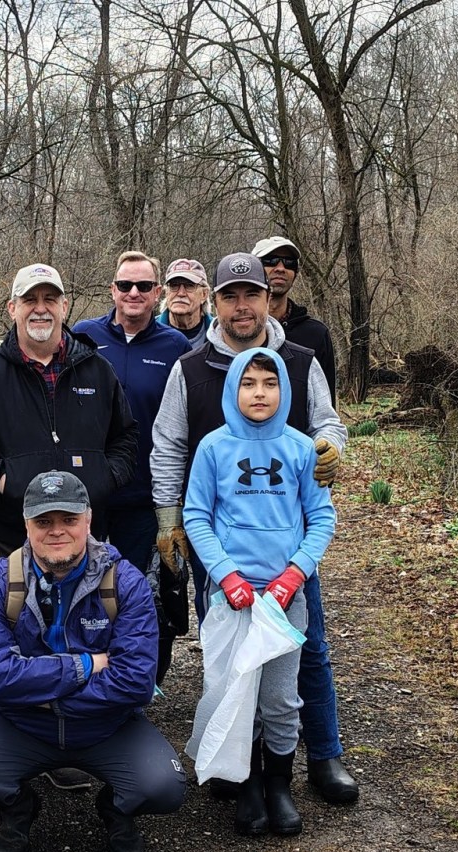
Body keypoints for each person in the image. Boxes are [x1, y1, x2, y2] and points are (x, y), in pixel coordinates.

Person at [151, 252, 358, 804]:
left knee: (304, 647)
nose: (242, 307)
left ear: (269, 300)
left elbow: (328, 421)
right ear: (213, 302)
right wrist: (169, 519)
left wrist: (331, 448)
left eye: (252, 295)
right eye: (230, 296)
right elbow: (169, 443)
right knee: (227, 652)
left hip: (285, 541)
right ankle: (230, 758)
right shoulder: (190, 366)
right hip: (217, 540)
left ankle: (323, 754)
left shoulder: (298, 359)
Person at [0, 471, 186, 852]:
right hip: (24, 726)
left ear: (88, 519)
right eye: (43, 522)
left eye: (68, 520)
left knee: (164, 787)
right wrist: (86, 665)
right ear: (26, 525)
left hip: (104, 725)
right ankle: (20, 807)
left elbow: (136, 683)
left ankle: (116, 810)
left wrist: (38, 688)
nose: (56, 531)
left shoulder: (126, 582)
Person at [183, 348, 336, 836]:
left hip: (284, 599)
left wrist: (295, 575)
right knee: (235, 688)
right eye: (248, 383)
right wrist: (226, 575)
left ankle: (279, 784)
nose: (259, 393)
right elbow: (196, 516)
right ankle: (245, 782)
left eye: (269, 383)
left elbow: (322, 517)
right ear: (233, 388)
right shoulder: (214, 448)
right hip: (232, 598)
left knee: (279, 696)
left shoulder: (299, 448)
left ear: (284, 390)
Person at [0, 263, 137, 565]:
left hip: (85, 538)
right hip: (8, 539)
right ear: (12, 308)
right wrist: (3, 478)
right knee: (11, 613)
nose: (40, 309)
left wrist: (105, 477)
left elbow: (126, 435)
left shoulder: (98, 371)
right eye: (29, 300)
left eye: (50, 299)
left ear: (64, 307)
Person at [72, 251, 192, 683]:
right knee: (81, 586)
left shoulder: (174, 347)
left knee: (138, 591)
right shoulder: (84, 337)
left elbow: (184, 424)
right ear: (113, 290)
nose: (134, 293)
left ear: (157, 293)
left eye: (144, 286)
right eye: (126, 285)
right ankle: (83, 672)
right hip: (87, 493)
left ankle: (141, 678)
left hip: (145, 495)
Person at [251, 237, 337, 402]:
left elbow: (326, 407)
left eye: (289, 263)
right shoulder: (239, 329)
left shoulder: (315, 334)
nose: (281, 268)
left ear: (296, 273)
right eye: (271, 261)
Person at [156, 258, 213, 349]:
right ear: (166, 292)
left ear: (204, 294)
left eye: (189, 286)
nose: (181, 293)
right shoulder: (148, 332)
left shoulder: (219, 334)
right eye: (174, 286)